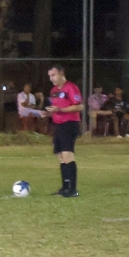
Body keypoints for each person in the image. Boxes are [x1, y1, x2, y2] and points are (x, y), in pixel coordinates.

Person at [45, 64, 83, 197]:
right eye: (50, 76)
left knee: (67, 155)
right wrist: (49, 113)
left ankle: (73, 190)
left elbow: (79, 106)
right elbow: (56, 108)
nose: (51, 78)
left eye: (53, 75)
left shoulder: (71, 87)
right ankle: (65, 188)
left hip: (69, 124)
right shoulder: (54, 90)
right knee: (61, 156)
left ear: (61, 73)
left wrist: (60, 110)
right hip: (58, 125)